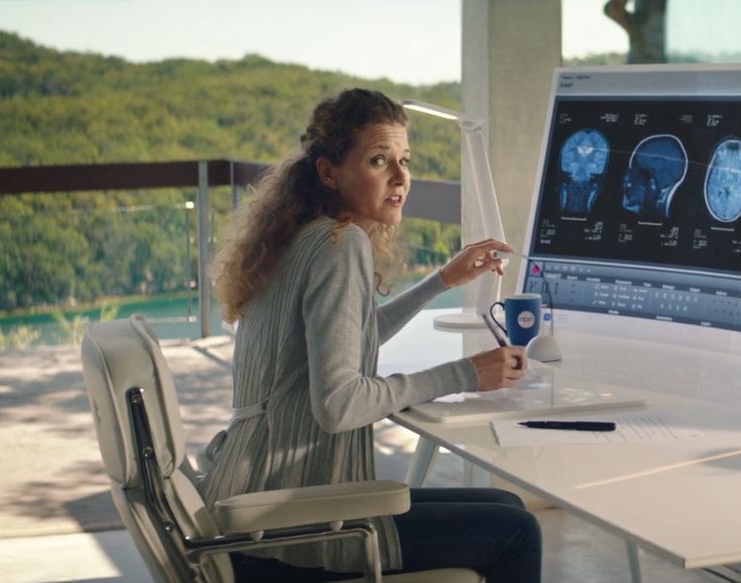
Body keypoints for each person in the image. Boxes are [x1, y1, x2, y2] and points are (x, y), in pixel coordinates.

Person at [204, 87, 540, 582]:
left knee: (506, 502)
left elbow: (344, 339)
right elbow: (340, 403)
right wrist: (467, 372)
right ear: (329, 172)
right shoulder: (341, 245)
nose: (401, 178)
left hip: (248, 498)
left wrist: (440, 281)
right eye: (379, 161)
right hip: (289, 530)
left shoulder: (306, 235)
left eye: (405, 161)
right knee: (516, 532)